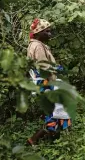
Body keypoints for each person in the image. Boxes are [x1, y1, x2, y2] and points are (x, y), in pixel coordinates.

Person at [27, 18, 71, 146]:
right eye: (47, 31)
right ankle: (34, 139)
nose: (50, 34)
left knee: (54, 111)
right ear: (39, 32)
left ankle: (53, 138)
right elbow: (43, 67)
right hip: (45, 83)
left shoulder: (34, 44)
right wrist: (57, 69)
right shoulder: (38, 47)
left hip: (42, 83)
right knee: (54, 113)